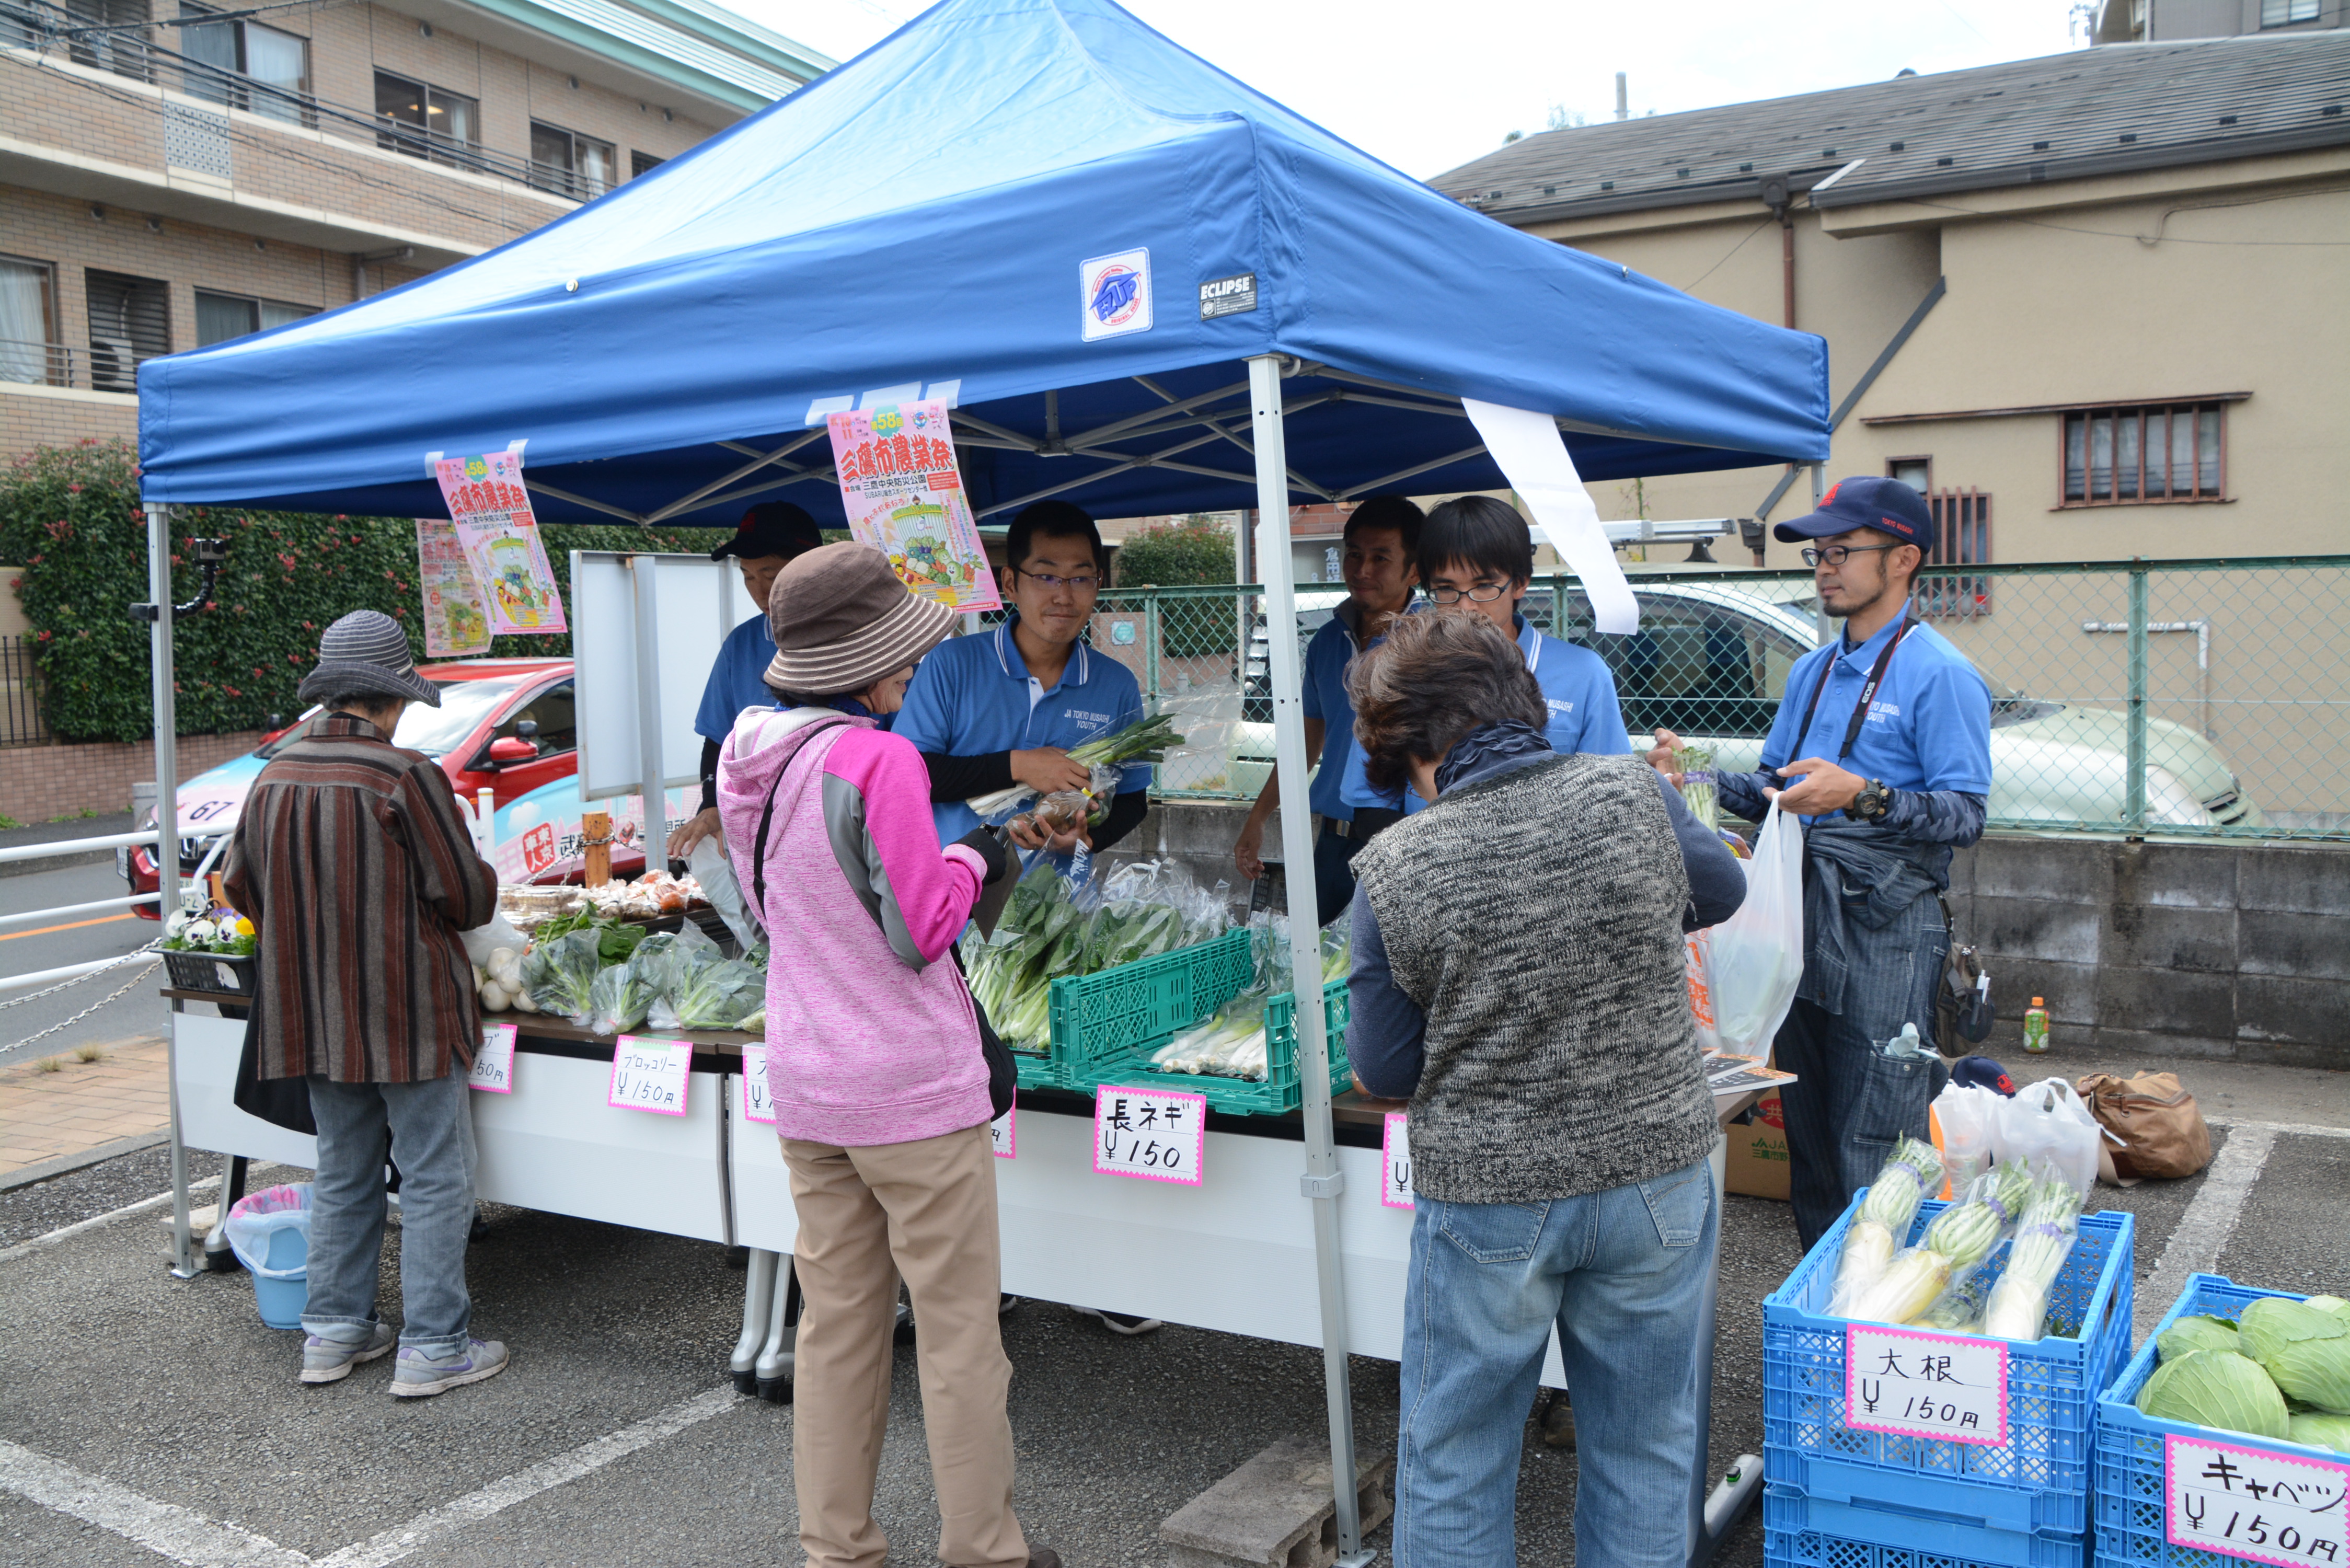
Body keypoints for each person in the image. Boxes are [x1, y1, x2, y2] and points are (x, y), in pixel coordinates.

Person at [1342, 612, 1744, 1568]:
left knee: (1455, 1459)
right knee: (1645, 1443)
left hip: (1491, 1199)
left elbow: (1386, 1075)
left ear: (1416, 746)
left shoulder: (1393, 870)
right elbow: (1721, 893)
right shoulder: (1632, 795)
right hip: (1657, 1175)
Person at [719, 544, 1058, 1568]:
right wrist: (980, 853)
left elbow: (790, 907)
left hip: (812, 1085)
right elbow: (920, 928)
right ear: (857, 663)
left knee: (835, 1330)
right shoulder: (877, 761)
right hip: (912, 1092)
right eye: (898, 652)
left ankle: (839, 1550)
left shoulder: (746, 760)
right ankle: (984, 1551)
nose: (912, 670)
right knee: (958, 1338)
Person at [1650, 476, 1992, 1250]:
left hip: (1887, 928)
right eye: (1819, 553)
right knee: (1804, 1128)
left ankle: (1873, 1312)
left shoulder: (1940, 674)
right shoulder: (1811, 672)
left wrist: (1864, 795)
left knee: (1875, 1132)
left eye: (1842, 551)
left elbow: (1965, 818)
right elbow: (1778, 792)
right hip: (1798, 916)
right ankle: (1823, 1310)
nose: (1824, 567)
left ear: (1904, 559)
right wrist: (1691, 779)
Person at [221, 610, 506, 1397]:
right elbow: (466, 896)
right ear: (389, 698)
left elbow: (241, 888)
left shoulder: (273, 774)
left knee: (343, 1172)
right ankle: (435, 1346)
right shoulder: (404, 776)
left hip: (309, 1012)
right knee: (435, 1176)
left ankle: (334, 1331)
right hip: (408, 1013)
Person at [1335, 494, 1630, 829]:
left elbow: (1609, 797)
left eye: (1484, 587)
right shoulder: (1397, 670)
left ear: (1520, 583)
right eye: (1446, 589)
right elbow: (1372, 807)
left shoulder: (1584, 674)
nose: (1466, 607)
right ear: (1424, 583)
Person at [894, 500, 1153, 862]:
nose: (1064, 595)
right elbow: (906, 775)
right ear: (1011, 584)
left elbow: (1132, 798)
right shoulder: (951, 664)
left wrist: (1087, 841)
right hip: (956, 899)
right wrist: (1019, 765)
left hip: (1060, 907)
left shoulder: (1117, 684)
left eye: (1081, 578)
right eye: (1046, 576)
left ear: (1098, 584)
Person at [1231, 495, 1422, 929]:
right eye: (1354, 554)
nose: (1363, 569)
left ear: (1415, 569)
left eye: (1380, 558)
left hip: (1405, 842)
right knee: (1319, 971)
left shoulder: (1433, 642)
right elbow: (1306, 743)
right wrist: (1259, 818)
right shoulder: (1326, 641)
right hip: (1332, 846)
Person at [668, 501, 826, 860]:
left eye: (771, 576)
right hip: (767, 840)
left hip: (845, 827)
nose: (759, 591)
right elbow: (718, 737)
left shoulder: (859, 636)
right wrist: (712, 805)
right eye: (748, 577)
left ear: (813, 566)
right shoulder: (742, 644)